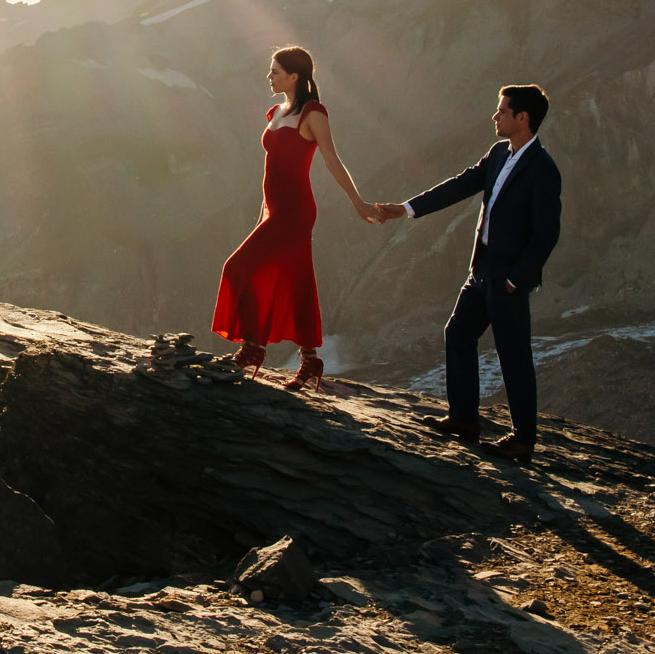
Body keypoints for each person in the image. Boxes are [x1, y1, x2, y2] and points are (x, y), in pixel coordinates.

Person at [372, 84, 561, 462]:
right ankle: (463, 419)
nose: (495, 116)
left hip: (507, 277)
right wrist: (405, 209)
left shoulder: (543, 169)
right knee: (458, 333)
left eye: (502, 111)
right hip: (482, 269)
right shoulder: (497, 154)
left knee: (513, 355)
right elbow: (460, 186)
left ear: (522, 117)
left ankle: (524, 439)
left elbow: (546, 234)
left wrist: (515, 279)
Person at [213, 45, 376, 391]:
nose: (268, 76)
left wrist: (358, 203)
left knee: (237, 268)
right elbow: (270, 170)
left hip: (296, 211)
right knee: (295, 279)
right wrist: (262, 213)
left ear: (293, 76)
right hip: (274, 210)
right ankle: (310, 359)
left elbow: (332, 160)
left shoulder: (313, 113)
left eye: (274, 71)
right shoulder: (276, 111)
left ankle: (254, 348)